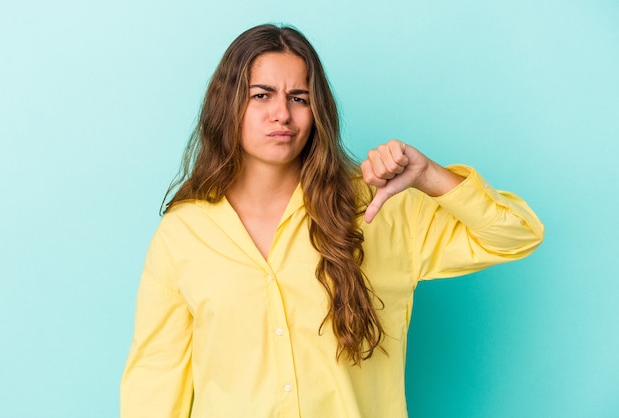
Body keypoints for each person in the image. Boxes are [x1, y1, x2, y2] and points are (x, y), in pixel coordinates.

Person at [120, 24, 544, 418]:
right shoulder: (183, 233)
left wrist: (430, 175)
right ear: (227, 105)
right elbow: (155, 382)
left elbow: (517, 235)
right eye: (261, 95)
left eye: (298, 98)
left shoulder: (381, 208)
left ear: (316, 110)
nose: (282, 114)